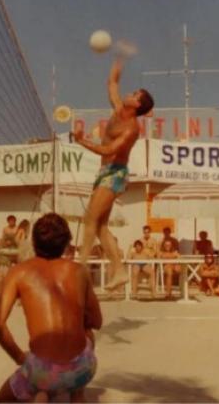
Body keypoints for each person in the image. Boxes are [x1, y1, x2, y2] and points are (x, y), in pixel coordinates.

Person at [0, 213, 102, 403]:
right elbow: (96, 322)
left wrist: (18, 356)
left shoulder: (18, 272)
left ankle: (43, 392)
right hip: (83, 368)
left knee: (2, 400)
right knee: (87, 334)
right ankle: (75, 393)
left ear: (33, 241)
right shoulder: (79, 271)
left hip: (42, 372)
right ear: (66, 242)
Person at [73, 56, 154, 290]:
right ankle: (119, 271)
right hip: (104, 172)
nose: (131, 93)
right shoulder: (119, 108)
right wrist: (118, 64)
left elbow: (109, 149)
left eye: (135, 93)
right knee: (99, 226)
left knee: (89, 219)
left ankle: (81, 270)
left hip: (116, 174)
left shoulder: (130, 129)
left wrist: (82, 141)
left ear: (137, 104)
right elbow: (112, 84)